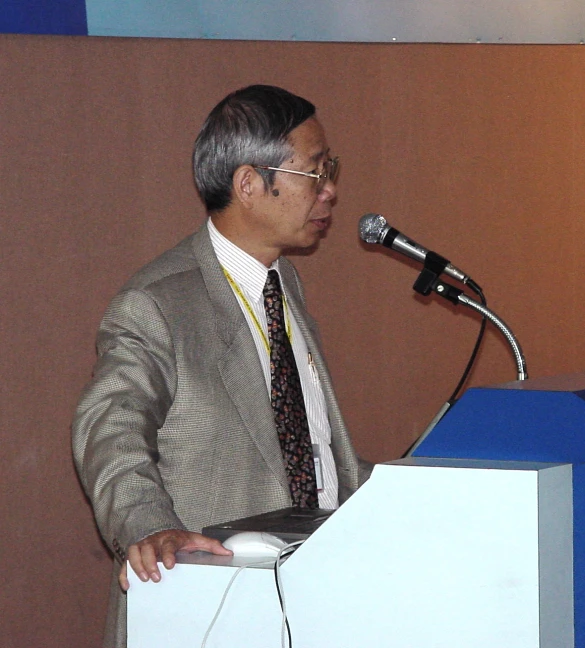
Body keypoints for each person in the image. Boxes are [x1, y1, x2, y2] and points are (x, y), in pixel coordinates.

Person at [72, 84, 372, 648]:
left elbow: (305, 441)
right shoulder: (159, 303)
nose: (331, 190)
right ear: (250, 184)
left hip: (312, 597)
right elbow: (108, 425)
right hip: (213, 609)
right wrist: (148, 525)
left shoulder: (283, 282)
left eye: (331, 168)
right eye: (315, 171)